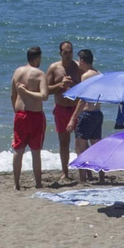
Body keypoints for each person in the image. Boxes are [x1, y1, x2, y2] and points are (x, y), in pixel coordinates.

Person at [11, 47, 50, 190]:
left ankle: (16, 184)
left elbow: (13, 96)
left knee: (18, 150)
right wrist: (27, 92)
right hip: (34, 116)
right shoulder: (40, 74)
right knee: (35, 151)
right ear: (37, 58)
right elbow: (44, 96)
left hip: (20, 115)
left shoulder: (17, 72)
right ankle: (38, 183)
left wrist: (15, 111)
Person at [46, 41, 83, 181]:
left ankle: (84, 171)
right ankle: (65, 172)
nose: (68, 55)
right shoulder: (54, 68)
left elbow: (87, 85)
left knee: (81, 141)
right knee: (63, 142)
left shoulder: (78, 67)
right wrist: (60, 85)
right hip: (61, 109)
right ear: (60, 53)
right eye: (65, 52)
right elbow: (46, 89)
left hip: (76, 108)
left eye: (70, 52)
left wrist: (73, 84)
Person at [66, 49, 105, 180]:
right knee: (96, 147)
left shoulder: (86, 76)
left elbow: (83, 100)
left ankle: (83, 178)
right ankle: (101, 177)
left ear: (82, 61)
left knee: (79, 147)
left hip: (87, 114)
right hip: (98, 113)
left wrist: (73, 118)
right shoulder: (99, 74)